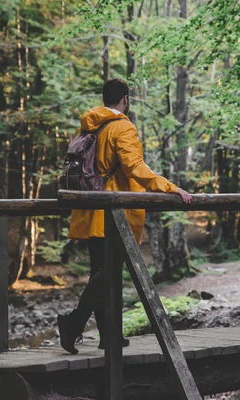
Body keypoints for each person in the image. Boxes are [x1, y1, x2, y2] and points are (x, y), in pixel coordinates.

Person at [57, 79, 192, 354]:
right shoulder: (123, 127)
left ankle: (110, 336)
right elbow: (134, 167)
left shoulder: (88, 124)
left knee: (101, 273)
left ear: (105, 99)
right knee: (108, 274)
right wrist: (170, 187)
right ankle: (73, 324)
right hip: (113, 213)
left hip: (90, 207)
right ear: (125, 100)